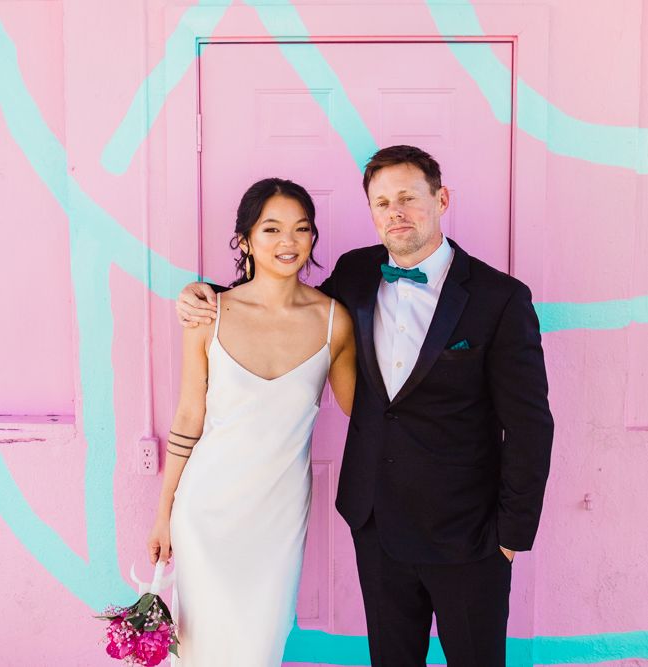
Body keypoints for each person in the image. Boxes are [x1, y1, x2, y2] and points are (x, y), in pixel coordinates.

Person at [175, 145, 554, 667]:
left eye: (408, 198)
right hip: (376, 521)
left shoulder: (500, 298)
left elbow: (530, 424)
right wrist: (207, 293)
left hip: (470, 532)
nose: (395, 213)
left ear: (440, 199)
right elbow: (283, 306)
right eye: (381, 203)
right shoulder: (355, 274)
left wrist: (512, 535)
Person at [147, 177, 356, 667]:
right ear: (244, 240)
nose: (288, 242)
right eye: (272, 229)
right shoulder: (208, 313)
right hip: (204, 510)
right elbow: (187, 416)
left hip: (278, 516)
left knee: (259, 648)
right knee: (198, 648)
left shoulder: (334, 321)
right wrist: (163, 512)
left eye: (301, 229)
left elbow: (363, 413)